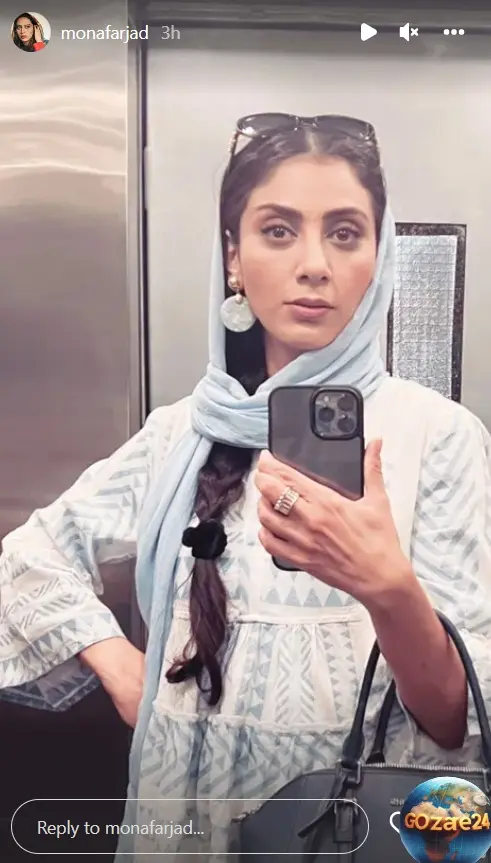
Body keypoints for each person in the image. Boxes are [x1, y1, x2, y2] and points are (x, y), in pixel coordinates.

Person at [1, 113, 491, 860]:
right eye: (278, 230)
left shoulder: (438, 435)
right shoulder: (182, 433)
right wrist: (125, 670)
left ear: (380, 254)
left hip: (342, 826)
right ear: (233, 257)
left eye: (345, 233)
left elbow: (453, 721)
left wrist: (387, 588)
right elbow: (28, 558)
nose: (314, 264)